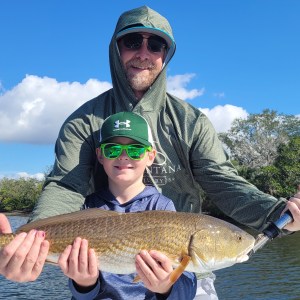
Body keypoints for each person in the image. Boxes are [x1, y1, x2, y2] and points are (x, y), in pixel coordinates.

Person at [0, 5, 299, 299]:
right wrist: (30, 245)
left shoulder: (191, 121)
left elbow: (221, 180)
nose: (143, 54)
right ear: (115, 49)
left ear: (165, 55)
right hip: (102, 278)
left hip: (187, 275)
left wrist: (277, 212)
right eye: (132, 42)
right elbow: (66, 186)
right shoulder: (83, 122)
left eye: (155, 44)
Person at [58, 111, 197, 299]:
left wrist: (165, 287)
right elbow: (82, 295)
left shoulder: (163, 207)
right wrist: (84, 283)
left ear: (150, 156)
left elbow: (184, 290)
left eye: (135, 150)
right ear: (100, 155)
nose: (124, 156)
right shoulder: (87, 207)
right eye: (113, 149)